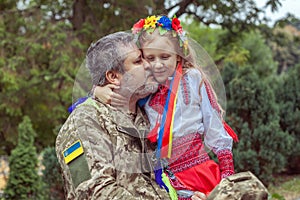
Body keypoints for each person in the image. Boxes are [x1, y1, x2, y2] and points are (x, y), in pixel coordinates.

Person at [94, 15, 238, 199]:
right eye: (150, 58)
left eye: (165, 57)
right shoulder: (145, 87)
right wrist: (97, 90)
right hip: (165, 179)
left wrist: (227, 174)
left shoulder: (192, 79)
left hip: (200, 170)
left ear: (178, 56)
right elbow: (117, 88)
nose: (158, 64)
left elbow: (214, 125)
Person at [56, 31, 207, 200]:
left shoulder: (150, 115)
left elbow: (158, 181)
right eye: (138, 61)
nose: (149, 65)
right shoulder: (85, 121)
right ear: (113, 77)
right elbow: (94, 192)